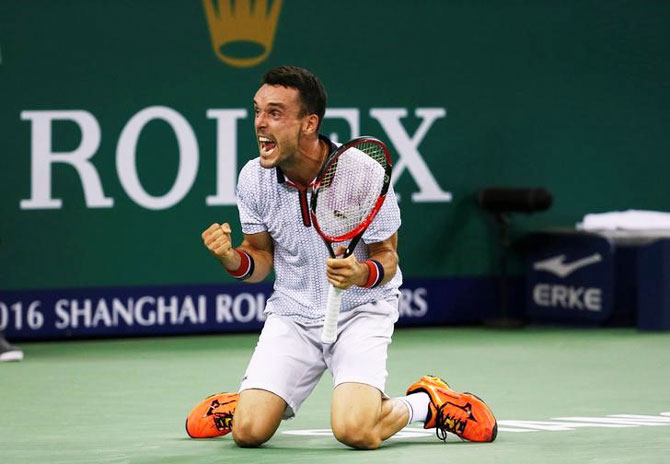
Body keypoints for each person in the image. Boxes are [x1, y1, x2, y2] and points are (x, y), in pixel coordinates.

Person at [185, 66, 497, 449]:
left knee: (355, 431)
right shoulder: (254, 178)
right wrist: (231, 258)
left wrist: (359, 273)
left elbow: (388, 259)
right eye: (257, 111)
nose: (260, 124)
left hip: (361, 309)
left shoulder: (361, 172)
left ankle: (427, 403)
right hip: (294, 313)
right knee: (248, 432)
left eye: (275, 113)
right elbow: (260, 258)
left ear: (308, 123)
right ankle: (252, 402)